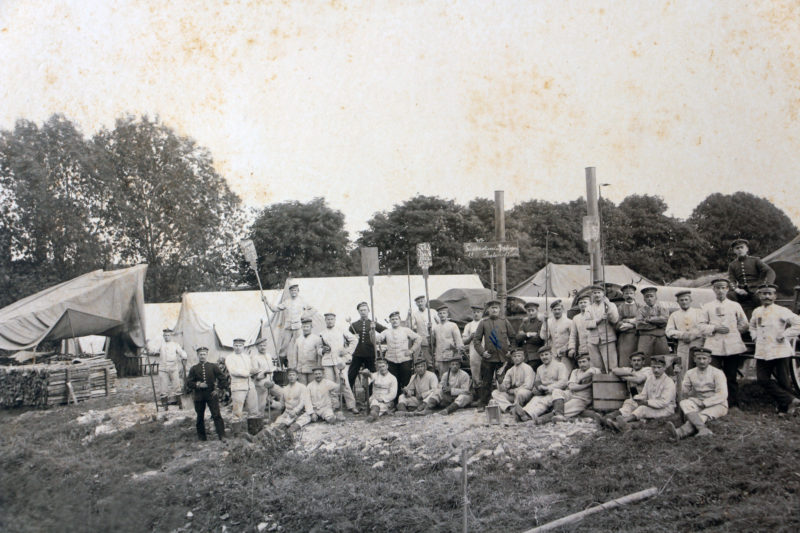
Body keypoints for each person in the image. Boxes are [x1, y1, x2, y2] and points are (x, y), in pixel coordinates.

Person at [749, 284, 800, 415]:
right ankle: (791, 399)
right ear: (759, 295)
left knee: (783, 380)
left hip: (779, 350)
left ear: (775, 296)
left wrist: (785, 335)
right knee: (762, 379)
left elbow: (798, 323)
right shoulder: (757, 311)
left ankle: (785, 408)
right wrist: (754, 337)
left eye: (770, 293)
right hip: (762, 351)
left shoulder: (781, 310)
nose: (767, 296)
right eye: (764, 293)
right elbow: (752, 326)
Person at [699, 278, 749, 408]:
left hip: (732, 346)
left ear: (727, 289)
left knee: (731, 375)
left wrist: (734, 332)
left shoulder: (735, 305)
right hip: (713, 346)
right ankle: (714, 402)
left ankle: (732, 403)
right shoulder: (707, 306)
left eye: (723, 288)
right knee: (714, 374)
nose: (720, 291)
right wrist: (714, 328)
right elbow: (700, 325)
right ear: (713, 289)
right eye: (717, 288)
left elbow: (744, 323)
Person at [668, 348, 728, 440]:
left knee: (701, 415)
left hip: (718, 404)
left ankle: (680, 432)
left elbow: (722, 395)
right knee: (684, 403)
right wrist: (678, 377)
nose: (702, 361)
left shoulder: (718, 373)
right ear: (694, 359)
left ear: (709, 360)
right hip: (699, 402)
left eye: (704, 358)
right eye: (699, 358)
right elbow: (683, 391)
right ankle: (704, 430)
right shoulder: (690, 373)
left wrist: (705, 403)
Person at [606, 355, 675, 432]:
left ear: (664, 368)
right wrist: (637, 398)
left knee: (642, 409)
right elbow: (644, 394)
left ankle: (622, 423)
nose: (656, 370)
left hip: (666, 409)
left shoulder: (668, 382)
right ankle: (613, 419)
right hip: (652, 404)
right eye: (654, 367)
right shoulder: (650, 379)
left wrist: (646, 402)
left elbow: (664, 402)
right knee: (631, 402)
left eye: (659, 368)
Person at [472, 299, 515, 408]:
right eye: (492, 308)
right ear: (488, 310)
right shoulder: (483, 322)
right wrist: (482, 353)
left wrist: (511, 350)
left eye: (496, 308)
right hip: (489, 358)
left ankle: (504, 403)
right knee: (486, 382)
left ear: (499, 309)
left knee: (503, 381)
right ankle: (483, 403)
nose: (494, 310)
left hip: (503, 358)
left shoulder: (505, 321)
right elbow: (476, 340)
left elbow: (513, 337)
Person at [515, 345, 569, 423]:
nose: (544, 357)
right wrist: (538, 387)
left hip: (557, 393)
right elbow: (537, 381)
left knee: (544, 402)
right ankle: (523, 412)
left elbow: (563, 382)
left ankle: (528, 415)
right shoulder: (540, 368)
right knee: (535, 400)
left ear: (551, 354)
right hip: (543, 393)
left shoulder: (560, 366)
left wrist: (548, 388)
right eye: (542, 355)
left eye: (546, 354)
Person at [265, 281, 315, 365]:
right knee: (284, 345)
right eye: (292, 290)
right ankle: (281, 363)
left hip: (298, 327)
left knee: (299, 344)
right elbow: (275, 309)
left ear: (298, 291)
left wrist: (305, 316)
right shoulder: (287, 301)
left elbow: (313, 310)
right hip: (288, 327)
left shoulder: (302, 301)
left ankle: (301, 363)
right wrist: (267, 302)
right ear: (290, 292)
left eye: (295, 290)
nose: (293, 292)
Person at [319, 312, 359, 414]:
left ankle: (351, 405)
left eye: (332, 319)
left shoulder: (341, 330)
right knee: (330, 384)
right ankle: (335, 405)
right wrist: (323, 350)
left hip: (339, 361)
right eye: (328, 319)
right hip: (327, 361)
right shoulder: (322, 333)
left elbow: (354, 340)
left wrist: (347, 351)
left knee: (344, 382)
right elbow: (318, 349)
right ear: (325, 321)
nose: (330, 321)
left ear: (335, 320)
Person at [185, 346, 226, 441]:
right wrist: (198, 385)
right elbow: (188, 383)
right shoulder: (194, 369)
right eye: (200, 354)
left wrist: (218, 389)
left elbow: (223, 379)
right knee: (200, 416)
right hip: (199, 396)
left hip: (211, 395)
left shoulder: (213, 366)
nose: (202, 356)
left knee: (216, 415)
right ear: (197, 355)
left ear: (207, 355)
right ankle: (202, 437)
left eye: (204, 354)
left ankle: (222, 435)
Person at [727, 238, 776, 317]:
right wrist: (737, 290)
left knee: (760, 299)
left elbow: (770, 272)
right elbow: (731, 279)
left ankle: (764, 318)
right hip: (741, 290)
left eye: (742, 247)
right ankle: (736, 319)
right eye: (737, 248)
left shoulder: (755, 260)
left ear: (747, 249)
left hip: (756, 289)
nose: (739, 250)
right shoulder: (732, 265)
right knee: (730, 296)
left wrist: (764, 287)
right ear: (734, 251)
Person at [376, 311, 421, 396]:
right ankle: (395, 400)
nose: (394, 321)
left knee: (406, 380)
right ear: (390, 321)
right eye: (392, 319)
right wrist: (372, 331)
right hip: (391, 360)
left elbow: (418, 338)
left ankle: (405, 399)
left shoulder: (406, 330)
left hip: (405, 360)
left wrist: (412, 350)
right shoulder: (386, 332)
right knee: (394, 380)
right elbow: (377, 340)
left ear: (400, 320)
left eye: (396, 319)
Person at [548, 353, 600, 423]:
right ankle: (559, 415)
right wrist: (587, 385)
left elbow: (591, 372)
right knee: (556, 391)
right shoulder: (575, 371)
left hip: (582, 399)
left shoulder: (595, 370)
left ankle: (541, 420)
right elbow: (572, 387)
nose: (582, 364)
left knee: (564, 409)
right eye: (580, 362)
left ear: (589, 362)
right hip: (571, 394)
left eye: (584, 361)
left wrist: (579, 379)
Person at [347, 302, 386, 395]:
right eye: (361, 310)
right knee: (351, 374)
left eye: (365, 310)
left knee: (372, 374)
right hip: (357, 353)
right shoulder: (353, 325)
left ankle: (372, 395)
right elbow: (347, 339)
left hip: (370, 354)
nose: (363, 312)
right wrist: (353, 336)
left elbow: (386, 331)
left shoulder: (373, 323)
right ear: (358, 312)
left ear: (368, 311)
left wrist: (378, 338)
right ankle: (348, 397)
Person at [226, 338, 260, 433]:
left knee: (253, 409)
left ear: (243, 346)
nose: (238, 347)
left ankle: (253, 433)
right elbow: (233, 371)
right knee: (237, 411)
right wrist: (249, 372)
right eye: (236, 345)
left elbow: (251, 369)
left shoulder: (246, 357)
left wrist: (255, 371)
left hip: (250, 385)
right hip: (238, 387)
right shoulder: (230, 357)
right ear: (233, 346)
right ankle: (237, 435)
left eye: (240, 345)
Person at [665, 290, 706, 371]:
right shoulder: (674, 315)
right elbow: (669, 331)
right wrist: (682, 335)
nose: (684, 302)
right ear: (678, 302)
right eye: (681, 300)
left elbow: (704, 327)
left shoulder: (699, 312)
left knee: (699, 367)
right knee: (683, 368)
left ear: (691, 300)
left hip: (697, 344)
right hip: (683, 345)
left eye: (686, 299)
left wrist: (693, 335)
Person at [585, 283, 620, 372]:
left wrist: (608, 307)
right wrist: (599, 320)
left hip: (608, 339)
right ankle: (599, 384)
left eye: (599, 292)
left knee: (611, 365)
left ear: (603, 294)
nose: (596, 295)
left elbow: (615, 320)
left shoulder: (611, 305)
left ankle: (612, 384)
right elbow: (587, 325)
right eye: (594, 293)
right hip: (593, 341)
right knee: (597, 367)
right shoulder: (589, 308)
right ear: (592, 295)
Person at [635, 287, 670, 362]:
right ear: (644, 299)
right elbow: (639, 325)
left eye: (651, 296)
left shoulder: (662, 308)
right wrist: (657, 324)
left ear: (656, 297)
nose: (649, 299)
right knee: (643, 358)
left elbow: (665, 321)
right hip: (645, 338)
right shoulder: (640, 310)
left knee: (664, 359)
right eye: (647, 297)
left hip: (660, 338)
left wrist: (649, 320)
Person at [154, 329, 188, 404]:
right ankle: (164, 402)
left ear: (171, 336)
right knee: (163, 386)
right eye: (165, 335)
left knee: (176, 385)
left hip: (173, 368)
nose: (167, 337)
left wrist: (184, 356)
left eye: (168, 335)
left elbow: (181, 352)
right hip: (163, 369)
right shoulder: (161, 345)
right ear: (163, 336)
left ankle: (179, 402)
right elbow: (154, 350)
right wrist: (151, 349)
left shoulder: (175, 344)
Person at [540, 299, 574, 373]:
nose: (557, 311)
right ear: (552, 310)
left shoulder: (569, 322)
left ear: (563, 309)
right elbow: (544, 337)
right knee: (554, 372)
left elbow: (573, 337)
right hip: (554, 353)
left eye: (559, 309)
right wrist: (545, 322)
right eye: (555, 309)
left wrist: (566, 348)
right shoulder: (548, 321)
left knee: (566, 372)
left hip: (566, 353)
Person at [431, 305, 464, 377]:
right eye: (440, 313)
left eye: (444, 313)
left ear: (447, 314)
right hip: (440, 356)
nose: (442, 315)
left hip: (451, 355)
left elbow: (458, 340)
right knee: (443, 375)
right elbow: (432, 342)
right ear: (438, 315)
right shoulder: (436, 328)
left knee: (453, 374)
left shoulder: (453, 325)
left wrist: (458, 353)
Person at [361, 358, 398, 422]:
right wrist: (365, 376)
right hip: (374, 397)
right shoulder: (374, 375)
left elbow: (393, 394)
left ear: (387, 366)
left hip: (386, 399)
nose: (382, 368)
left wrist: (382, 399)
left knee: (380, 406)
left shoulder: (392, 378)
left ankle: (373, 415)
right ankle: (374, 414)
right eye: (379, 367)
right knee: (374, 402)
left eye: (383, 366)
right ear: (378, 368)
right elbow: (365, 385)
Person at [289, 317, 323, 385]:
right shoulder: (298, 339)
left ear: (311, 327)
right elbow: (295, 355)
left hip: (313, 369)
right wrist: (295, 368)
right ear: (301, 327)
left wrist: (319, 368)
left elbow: (319, 355)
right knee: (303, 387)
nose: (305, 329)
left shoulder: (317, 339)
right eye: (304, 327)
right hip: (301, 369)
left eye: (307, 326)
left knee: (313, 386)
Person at [411, 295, 440, 371]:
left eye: (422, 301)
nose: (420, 303)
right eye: (418, 302)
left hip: (435, 339)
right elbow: (411, 326)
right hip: (424, 341)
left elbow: (440, 323)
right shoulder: (414, 314)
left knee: (437, 359)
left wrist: (433, 327)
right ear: (416, 304)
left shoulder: (432, 311)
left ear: (425, 301)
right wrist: (408, 316)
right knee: (429, 361)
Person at [250, 338, 277, 417]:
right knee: (260, 403)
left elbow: (271, 367)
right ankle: (258, 419)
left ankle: (267, 417)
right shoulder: (255, 358)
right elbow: (255, 374)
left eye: (264, 345)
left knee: (269, 400)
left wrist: (273, 372)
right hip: (260, 382)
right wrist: (264, 373)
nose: (263, 347)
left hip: (269, 381)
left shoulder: (268, 356)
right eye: (260, 346)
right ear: (257, 347)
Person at [462, 304, 486, 390]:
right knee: (475, 373)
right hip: (474, 353)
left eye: (478, 312)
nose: (476, 314)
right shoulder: (469, 325)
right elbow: (464, 341)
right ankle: (477, 393)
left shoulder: (486, 323)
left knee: (487, 372)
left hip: (486, 351)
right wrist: (470, 337)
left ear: (482, 313)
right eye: (474, 312)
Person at [616, 284, 640, 367]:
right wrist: (623, 325)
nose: (629, 295)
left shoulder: (639, 306)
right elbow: (617, 322)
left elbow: (643, 320)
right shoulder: (620, 307)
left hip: (637, 336)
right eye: (626, 293)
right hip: (624, 337)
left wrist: (632, 324)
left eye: (631, 293)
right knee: (624, 359)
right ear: (623, 295)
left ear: (635, 295)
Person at [515, 302, 544, 371]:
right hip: (525, 356)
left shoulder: (541, 323)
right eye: (529, 311)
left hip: (535, 356)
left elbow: (538, 339)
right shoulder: (524, 323)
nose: (531, 313)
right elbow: (518, 338)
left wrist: (524, 337)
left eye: (533, 310)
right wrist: (529, 334)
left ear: (537, 311)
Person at [568, 295, 592, 369]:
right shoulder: (576, 318)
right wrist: (572, 348)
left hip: (594, 347)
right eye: (580, 303)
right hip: (582, 349)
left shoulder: (593, 315)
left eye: (585, 302)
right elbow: (573, 335)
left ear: (590, 303)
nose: (583, 304)